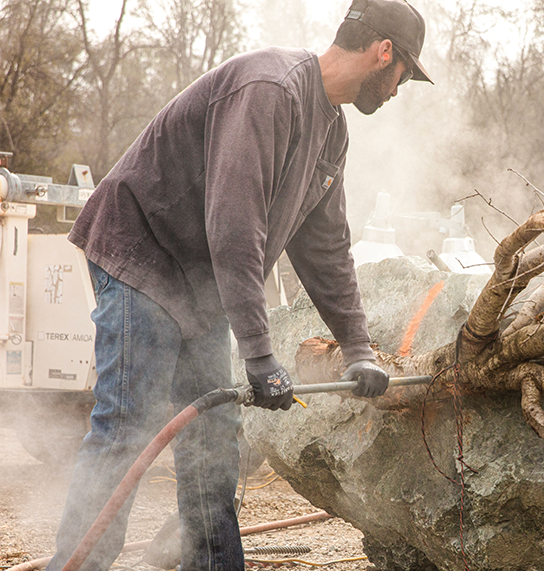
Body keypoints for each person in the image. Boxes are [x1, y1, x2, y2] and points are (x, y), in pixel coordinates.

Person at [45, 1, 432, 570]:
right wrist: (260, 356)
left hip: (198, 288)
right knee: (128, 425)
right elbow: (234, 230)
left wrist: (357, 349)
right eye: (404, 75)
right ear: (384, 53)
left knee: (212, 437)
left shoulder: (332, 132)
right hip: (143, 255)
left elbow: (324, 249)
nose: (399, 90)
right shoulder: (270, 89)